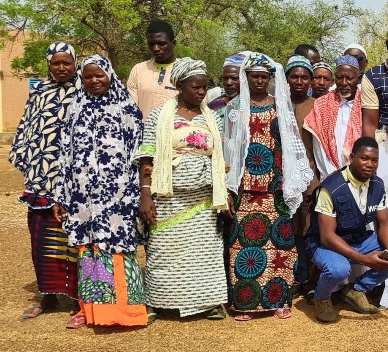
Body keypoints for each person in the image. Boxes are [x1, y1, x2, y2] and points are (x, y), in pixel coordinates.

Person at [134, 57, 228, 320]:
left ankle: (207, 302)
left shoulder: (211, 119)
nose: (201, 92)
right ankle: (157, 301)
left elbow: (217, 156)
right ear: (180, 86)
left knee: (203, 255)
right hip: (168, 196)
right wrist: (145, 194)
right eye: (195, 87)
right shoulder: (159, 116)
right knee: (164, 252)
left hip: (203, 199)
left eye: (204, 87)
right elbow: (147, 155)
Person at [59, 54, 148, 328]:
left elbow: (139, 151)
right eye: (88, 76)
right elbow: (65, 154)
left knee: (118, 249)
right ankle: (91, 311)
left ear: (110, 75)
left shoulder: (127, 108)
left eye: (99, 75)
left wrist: (136, 191)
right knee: (89, 250)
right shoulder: (75, 108)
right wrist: (64, 195)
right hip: (83, 197)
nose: (94, 80)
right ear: (81, 79)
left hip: (118, 196)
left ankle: (125, 312)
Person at [223, 53, 314, 321]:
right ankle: (246, 302)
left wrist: (292, 181)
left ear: (270, 78)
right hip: (245, 186)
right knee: (244, 244)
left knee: (279, 244)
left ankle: (278, 300)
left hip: (275, 185)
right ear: (246, 77)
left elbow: (290, 144)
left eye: (264, 76)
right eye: (255, 76)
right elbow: (229, 148)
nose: (260, 80)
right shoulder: (235, 107)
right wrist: (228, 186)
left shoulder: (280, 106)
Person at [307, 137, 388, 323]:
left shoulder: (377, 184)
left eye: (374, 160)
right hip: (326, 244)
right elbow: (327, 237)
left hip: (358, 238)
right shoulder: (331, 188)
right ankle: (322, 298)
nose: (370, 164)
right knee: (339, 269)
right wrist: (365, 260)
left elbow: (384, 223)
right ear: (352, 157)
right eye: (364, 158)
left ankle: (356, 290)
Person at [11, 42, 80, 320]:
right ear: (48, 65)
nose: (61, 68)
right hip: (42, 183)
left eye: (67, 62)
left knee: (74, 240)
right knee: (42, 242)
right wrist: (30, 163)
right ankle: (48, 296)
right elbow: (26, 130)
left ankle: (78, 297)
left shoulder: (86, 92)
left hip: (77, 184)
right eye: (56, 63)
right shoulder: (38, 94)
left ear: (75, 63)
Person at [285, 55, 320, 295]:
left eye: (304, 77)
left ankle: (309, 280)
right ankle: (289, 278)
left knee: (308, 228)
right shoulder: (277, 103)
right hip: (282, 177)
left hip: (309, 177)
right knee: (288, 229)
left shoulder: (318, 106)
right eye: (294, 76)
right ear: (287, 78)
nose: (299, 81)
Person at [306, 55, 366, 179]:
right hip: (329, 176)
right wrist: (333, 176)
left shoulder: (367, 103)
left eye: (349, 78)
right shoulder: (322, 104)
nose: (344, 83)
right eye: (339, 78)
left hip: (359, 176)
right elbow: (319, 146)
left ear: (359, 79)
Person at [128, 20, 179, 115]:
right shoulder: (138, 70)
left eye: (161, 44)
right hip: (145, 129)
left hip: (177, 129)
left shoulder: (187, 70)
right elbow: (131, 108)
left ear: (173, 44)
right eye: (151, 44)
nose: (155, 48)